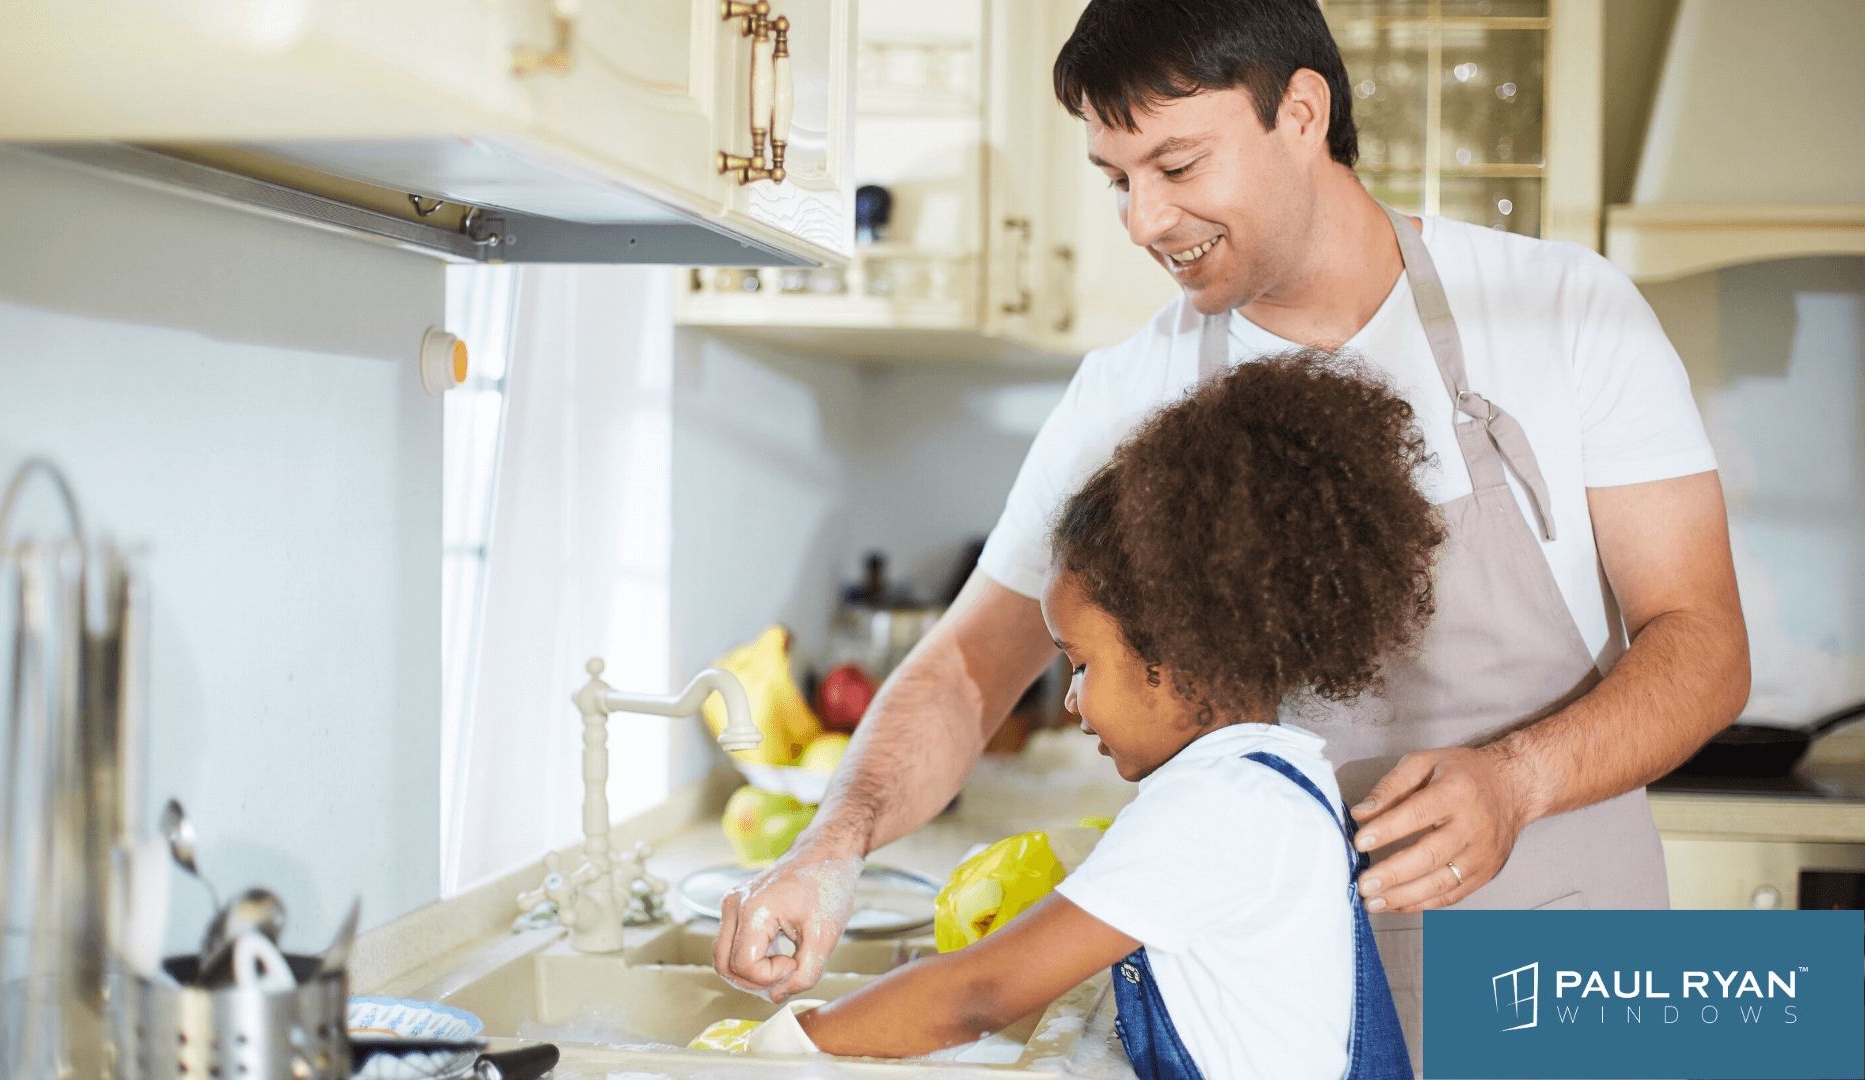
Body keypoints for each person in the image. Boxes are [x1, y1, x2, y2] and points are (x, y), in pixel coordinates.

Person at [714, 0, 1750, 1068]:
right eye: (1118, 179)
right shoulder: (1128, 392)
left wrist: (1518, 780)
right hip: (1284, 998)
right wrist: (828, 845)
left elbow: (1706, 645)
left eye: (1177, 165)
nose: (1143, 222)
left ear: (1302, 111)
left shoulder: (1564, 311)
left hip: (1564, 976)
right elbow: (967, 671)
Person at [743, 351, 1436, 1078]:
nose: (1071, 702)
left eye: (1080, 665)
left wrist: (786, 1046)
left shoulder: (1213, 809)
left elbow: (975, 996)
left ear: (1177, 654)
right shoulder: (1278, 775)